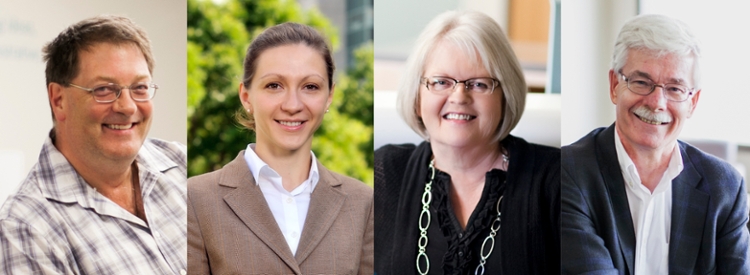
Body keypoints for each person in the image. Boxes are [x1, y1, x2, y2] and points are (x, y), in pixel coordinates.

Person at [561, 14, 750, 274]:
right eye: (641, 82)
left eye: (675, 89)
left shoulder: (725, 189)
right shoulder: (567, 173)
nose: (657, 102)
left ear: (692, 103)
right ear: (615, 85)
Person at [375, 10, 560, 275]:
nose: (459, 96)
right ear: (417, 98)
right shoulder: (385, 173)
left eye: (479, 84)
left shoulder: (555, 180)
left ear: (505, 96)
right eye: (440, 82)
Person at [0, 15, 187, 274]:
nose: (127, 106)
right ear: (58, 100)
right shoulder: (27, 228)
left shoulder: (181, 164)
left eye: (140, 87)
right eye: (104, 90)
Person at [186, 22, 374, 274]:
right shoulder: (195, 199)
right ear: (246, 96)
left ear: (329, 96)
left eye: (310, 87)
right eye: (274, 85)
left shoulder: (362, 202)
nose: (293, 105)